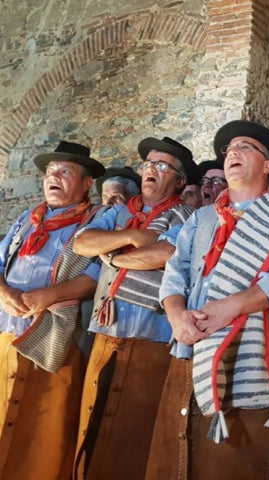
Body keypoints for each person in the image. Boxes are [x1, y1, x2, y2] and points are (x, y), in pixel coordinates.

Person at [145, 120, 269, 480]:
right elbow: (176, 272)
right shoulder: (201, 219)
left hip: (251, 353)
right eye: (228, 150)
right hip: (190, 348)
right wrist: (177, 316)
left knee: (236, 462)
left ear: (268, 166)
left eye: (245, 147)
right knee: (175, 456)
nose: (232, 153)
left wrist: (226, 308)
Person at [72, 136, 197, 480]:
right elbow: (83, 242)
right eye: (147, 164)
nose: (151, 171)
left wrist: (109, 253)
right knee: (89, 428)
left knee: (133, 434)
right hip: (105, 334)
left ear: (181, 180)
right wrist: (128, 239)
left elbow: (165, 254)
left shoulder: (186, 215)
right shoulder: (120, 211)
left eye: (162, 166)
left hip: (152, 338)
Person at [0, 140, 105, 480]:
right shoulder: (27, 221)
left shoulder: (97, 221)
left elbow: (96, 276)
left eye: (64, 172)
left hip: (56, 342)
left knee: (44, 431)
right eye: (49, 172)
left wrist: (46, 296)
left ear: (87, 183)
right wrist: (3, 291)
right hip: (7, 335)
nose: (53, 178)